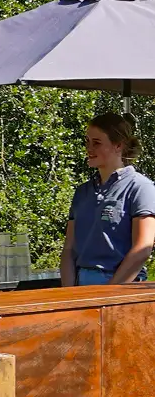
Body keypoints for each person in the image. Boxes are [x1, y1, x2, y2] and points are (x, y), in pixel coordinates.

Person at [60, 112, 155, 287]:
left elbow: (143, 248)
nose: (89, 148)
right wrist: (68, 293)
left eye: (96, 143)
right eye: (87, 142)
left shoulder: (140, 187)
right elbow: (68, 249)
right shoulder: (82, 192)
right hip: (80, 283)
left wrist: (110, 293)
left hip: (122, 286)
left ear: (118, 145)